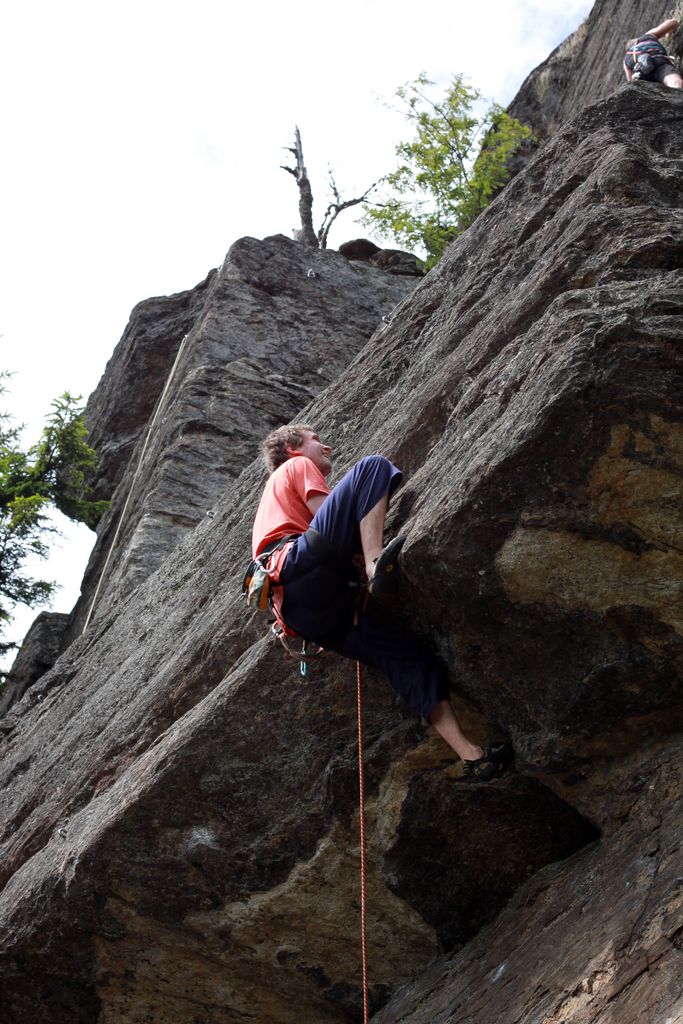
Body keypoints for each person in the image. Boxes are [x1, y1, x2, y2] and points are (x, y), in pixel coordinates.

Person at [251, 423, 511, 782]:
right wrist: (366, 554)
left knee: (405, 657)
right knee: (371, 468)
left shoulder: (274, 497)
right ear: (294, 448)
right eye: (315, 440)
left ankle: (473, 756)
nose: (326, 446)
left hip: (307, 614)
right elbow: (328, 519)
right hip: (300, 569)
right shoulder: (295, 467)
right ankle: (376, 565)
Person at [623, 18, 682, 88]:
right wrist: (669, 32)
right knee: (672, 80)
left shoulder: (626, 59)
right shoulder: (646, 37)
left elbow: (630, 83)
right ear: (636, 40)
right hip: (659, 61)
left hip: (642, 75)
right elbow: (673, 22)